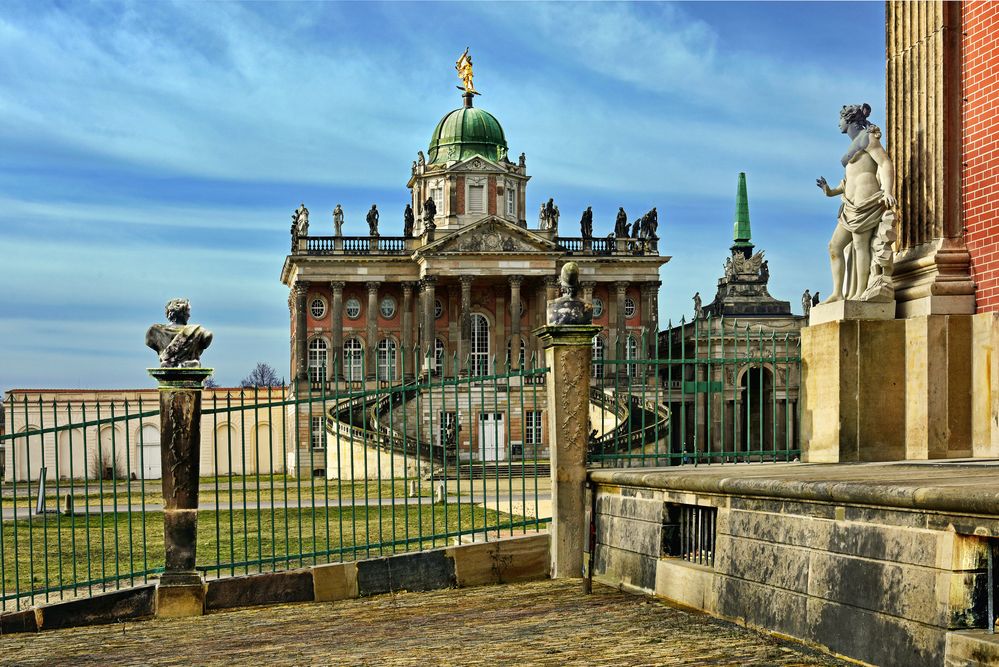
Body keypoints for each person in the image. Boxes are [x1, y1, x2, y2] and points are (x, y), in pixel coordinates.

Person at [816, 103, 897, 302]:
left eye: (840, 119)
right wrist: (830, 191)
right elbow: (849, 180)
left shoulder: (868, 138)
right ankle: (837, 293)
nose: (838, 124)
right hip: (849, 203)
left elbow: (885, 163)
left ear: (849, 119)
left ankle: (861, 292)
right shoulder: (853, 144)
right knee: (834, 246)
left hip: (865, 201)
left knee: (861, 245)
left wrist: (887, 191)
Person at [145, 299, 213, 368]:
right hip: (189, 367)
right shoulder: (198, 331)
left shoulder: (154, 331)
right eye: (188, 311)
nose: (189, 315)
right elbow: (208, 336)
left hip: (168, 366)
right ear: (181, 313)